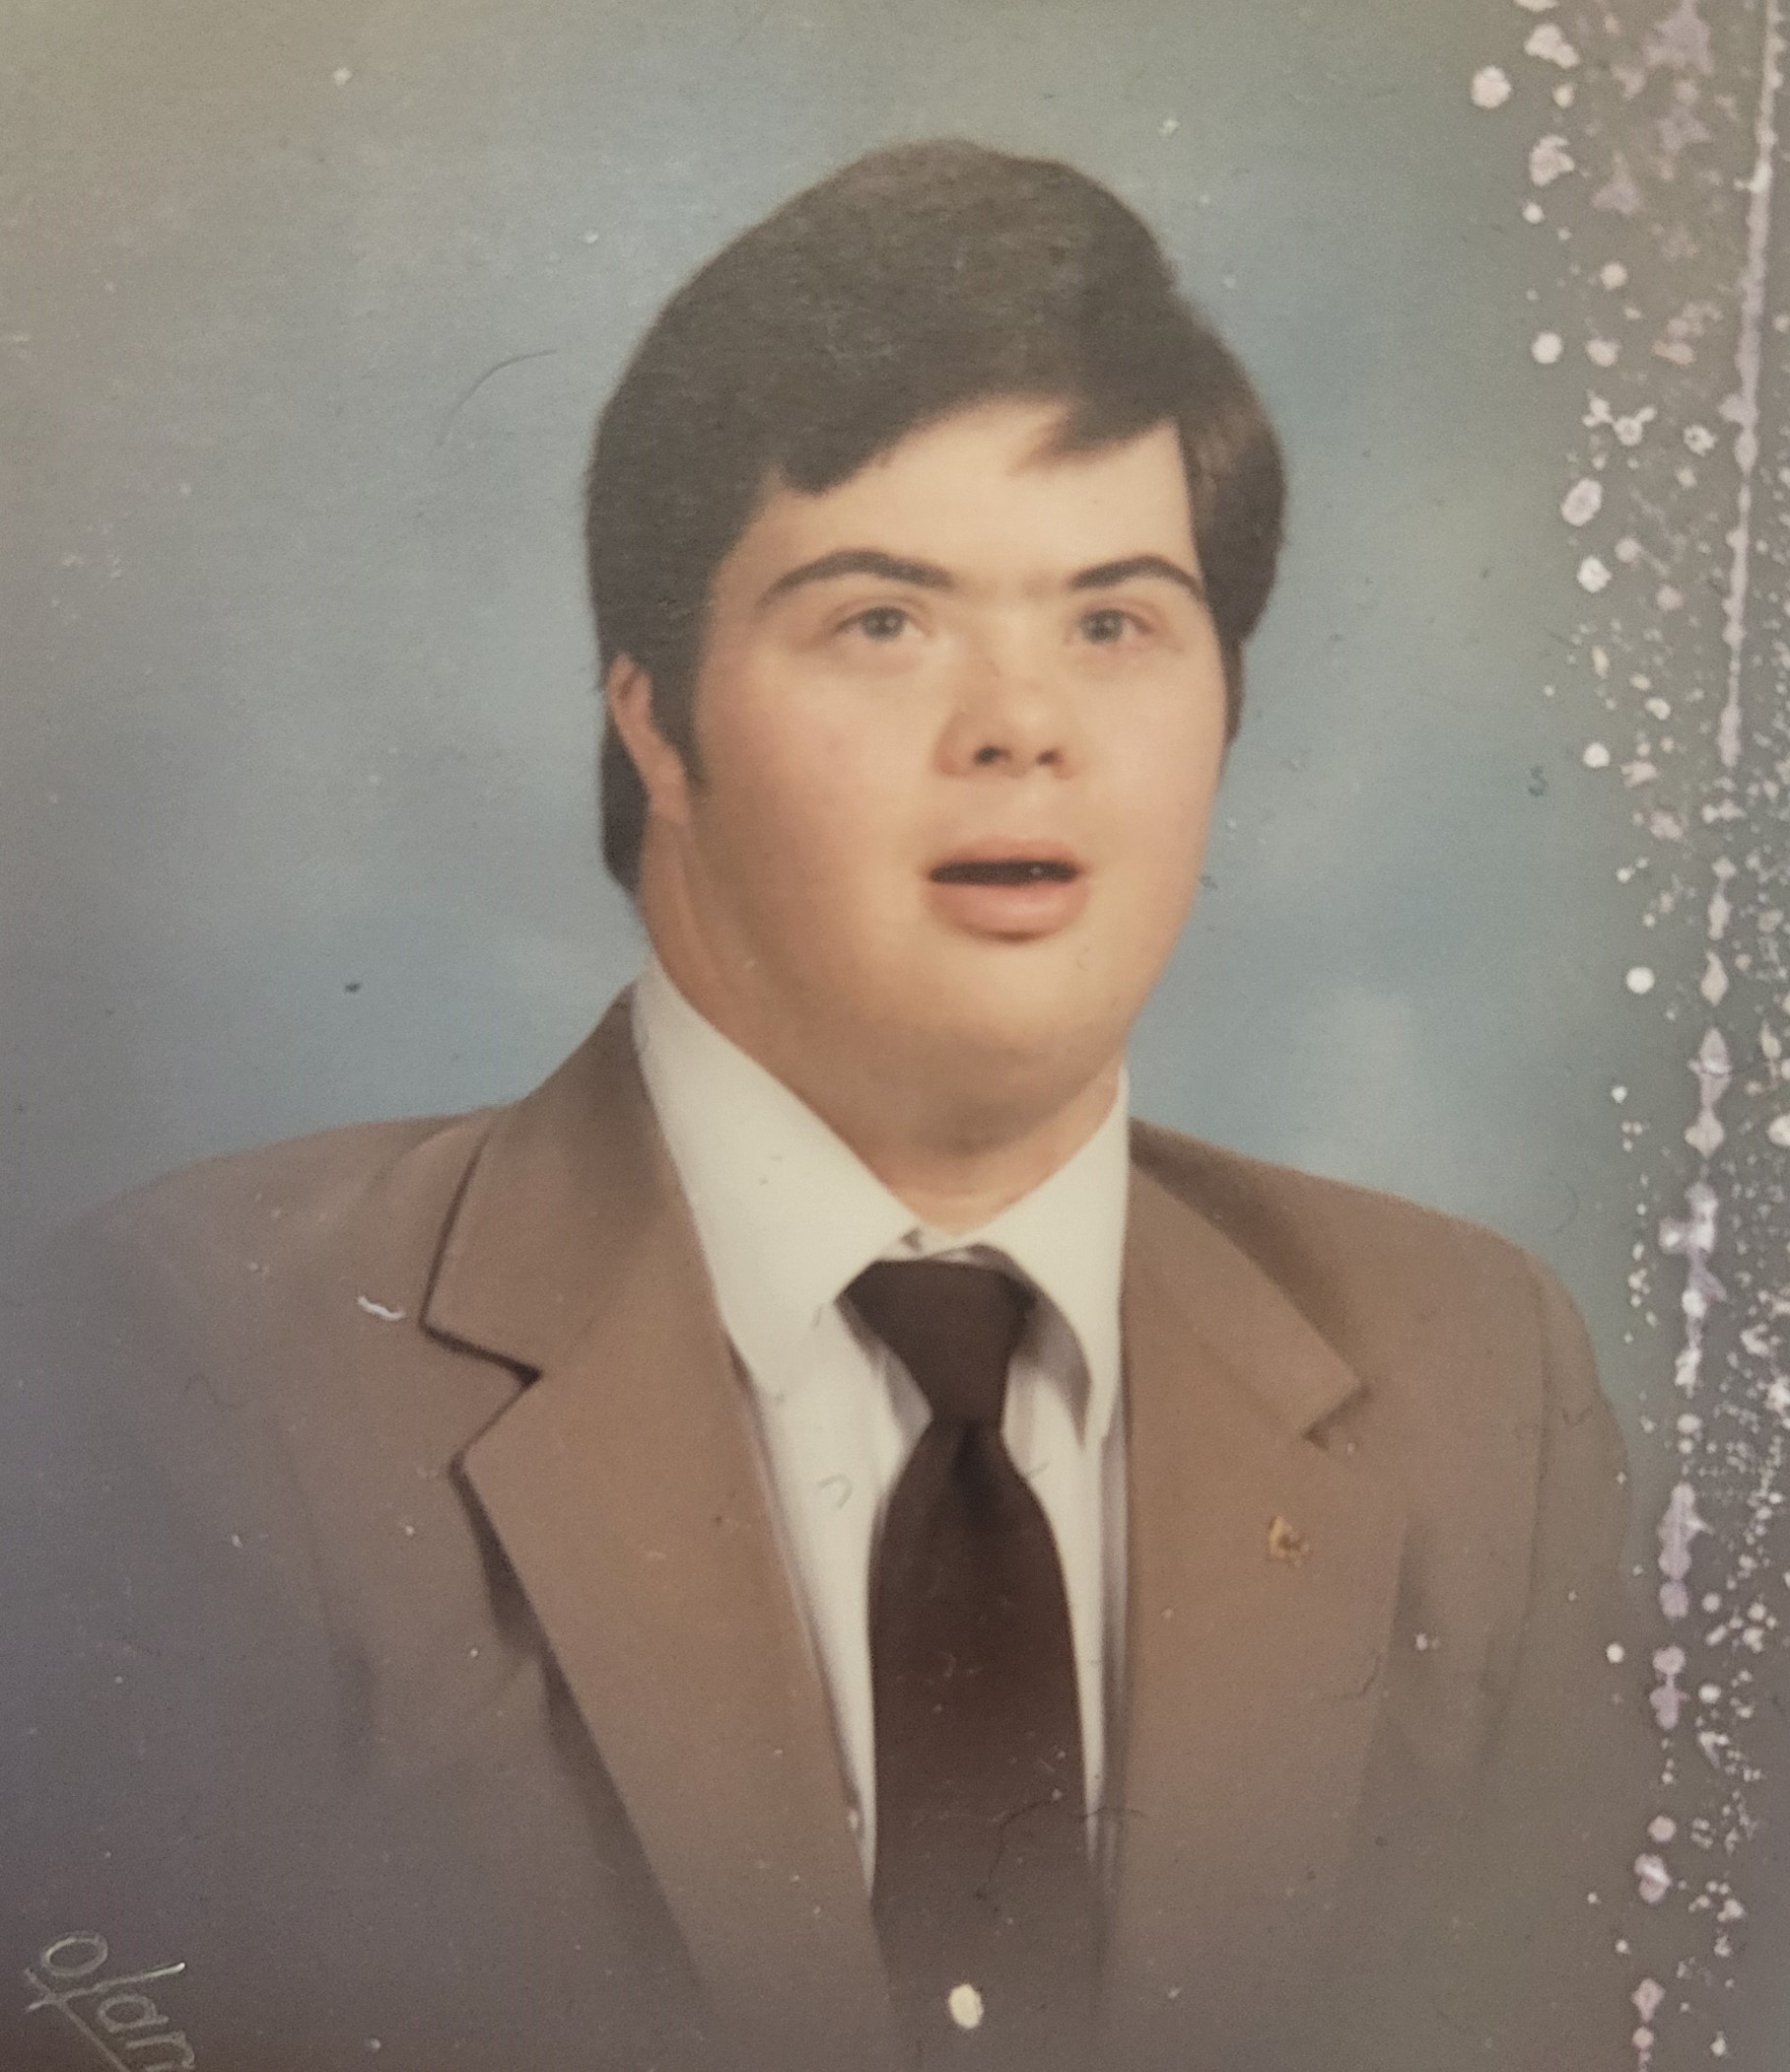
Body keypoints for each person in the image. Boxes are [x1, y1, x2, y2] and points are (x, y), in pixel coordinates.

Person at [8, 142, 1659, 2072]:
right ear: (653, 715)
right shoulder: (217, 1356)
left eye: (1114, 621)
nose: (1020, 725)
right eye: (884, 618)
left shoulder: (1471, 1378)